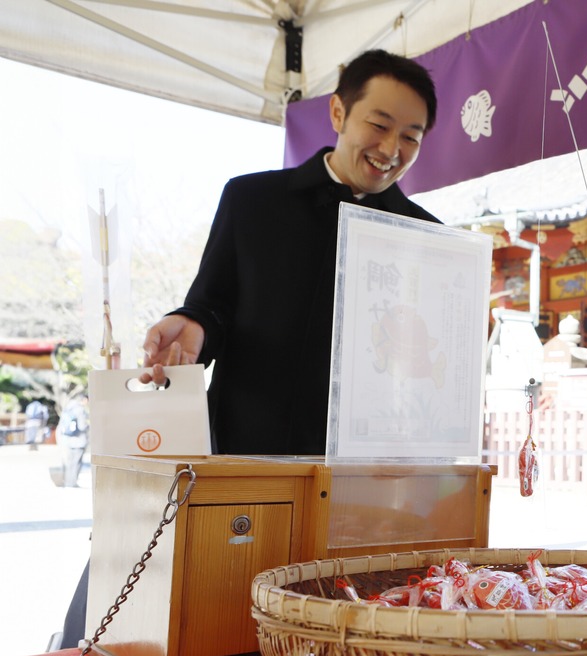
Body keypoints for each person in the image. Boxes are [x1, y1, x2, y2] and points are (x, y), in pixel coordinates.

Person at [140, 48, 440, 456]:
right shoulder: (251, 200)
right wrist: (193, 324)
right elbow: (212, 305)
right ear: (338, 113)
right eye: (379, 125)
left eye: (410, 137)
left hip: (370, 464)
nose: (390, 149)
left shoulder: (428, 238)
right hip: (250, 451)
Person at [57, 395, 89, 487]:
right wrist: (88, 425)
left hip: (67, 439)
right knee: (76, 462)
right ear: (84, 400)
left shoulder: (68, 408)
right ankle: (72, 483)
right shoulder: (80, 410)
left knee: (69, 462)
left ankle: (67, 482)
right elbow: (82, 426)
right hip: (78, 441)